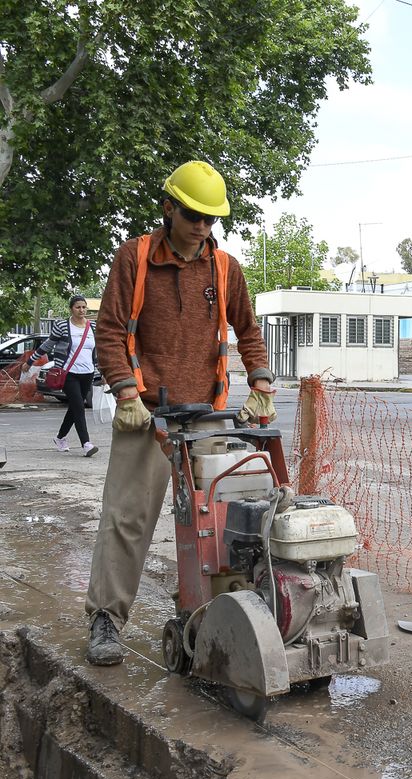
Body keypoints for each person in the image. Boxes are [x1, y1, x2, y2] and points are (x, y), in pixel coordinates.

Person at [83, 160, 275, 666]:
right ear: (169, 208)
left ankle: (214, 615)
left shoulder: (225, 268)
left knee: (221, 522)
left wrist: (260, 380)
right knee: (126, 518)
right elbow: (108, 331)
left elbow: (249, 330)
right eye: (193, 215)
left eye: (211, 219)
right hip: (147, 414)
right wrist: (124, 390)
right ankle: (106, 617)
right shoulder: (136, 257)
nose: (202, 227)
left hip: (206, 416)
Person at [23, 295, 100, 456]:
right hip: (67, 373)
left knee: (74, 407)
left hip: (87, 372)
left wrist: (104, 370)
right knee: (79, 406)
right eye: (78, 307)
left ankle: (60, 438)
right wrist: (30, 361)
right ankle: (86, 444)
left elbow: (98, 350)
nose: (82, 310)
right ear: (71, 309)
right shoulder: (62, 326)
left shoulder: (92, 326)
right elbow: (47, 345)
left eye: (84, 307)